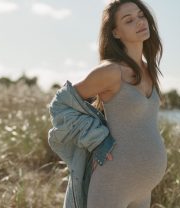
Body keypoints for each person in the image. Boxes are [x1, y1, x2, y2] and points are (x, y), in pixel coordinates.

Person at [73, 0, 167, 207]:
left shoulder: (148, 68)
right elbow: (61, 103)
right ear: (116, 32)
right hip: (113, 181)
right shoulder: (110, 71)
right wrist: (95, 141)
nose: (139, 22)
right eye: (129, 20)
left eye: (141, 16)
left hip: (143, 187)